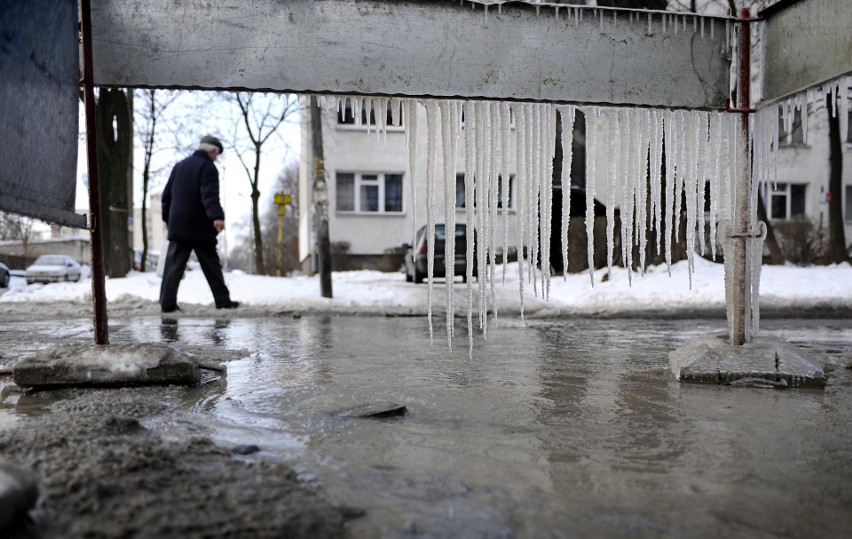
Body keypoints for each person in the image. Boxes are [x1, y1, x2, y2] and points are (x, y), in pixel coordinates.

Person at [159, 135, 239, 313]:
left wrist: (167, 219)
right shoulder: (208, 167)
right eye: (216, 155)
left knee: (173, 266)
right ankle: (223, 301)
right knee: (211, 265)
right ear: (212, 151)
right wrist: (216, 216)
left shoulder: (179, 166)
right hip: (200, 225)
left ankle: (167, 304)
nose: (215, 158)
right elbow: (209, 194)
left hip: (178, 224)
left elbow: (166, 196)